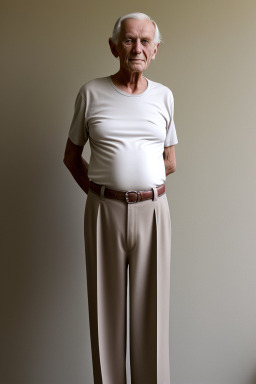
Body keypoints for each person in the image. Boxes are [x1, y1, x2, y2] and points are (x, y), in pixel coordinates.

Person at [63, 12, 178, 384]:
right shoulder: (91, 92)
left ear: (155, 50)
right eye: (129, 40)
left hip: (153, 212)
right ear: (114, 46)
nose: (137, 48)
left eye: (145, 41)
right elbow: (71, 156)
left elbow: (170, 161)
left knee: (152, 318)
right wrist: (102, 194)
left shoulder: (164, 96)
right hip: (103, 213)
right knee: (106, 316)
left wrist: (142, 186)